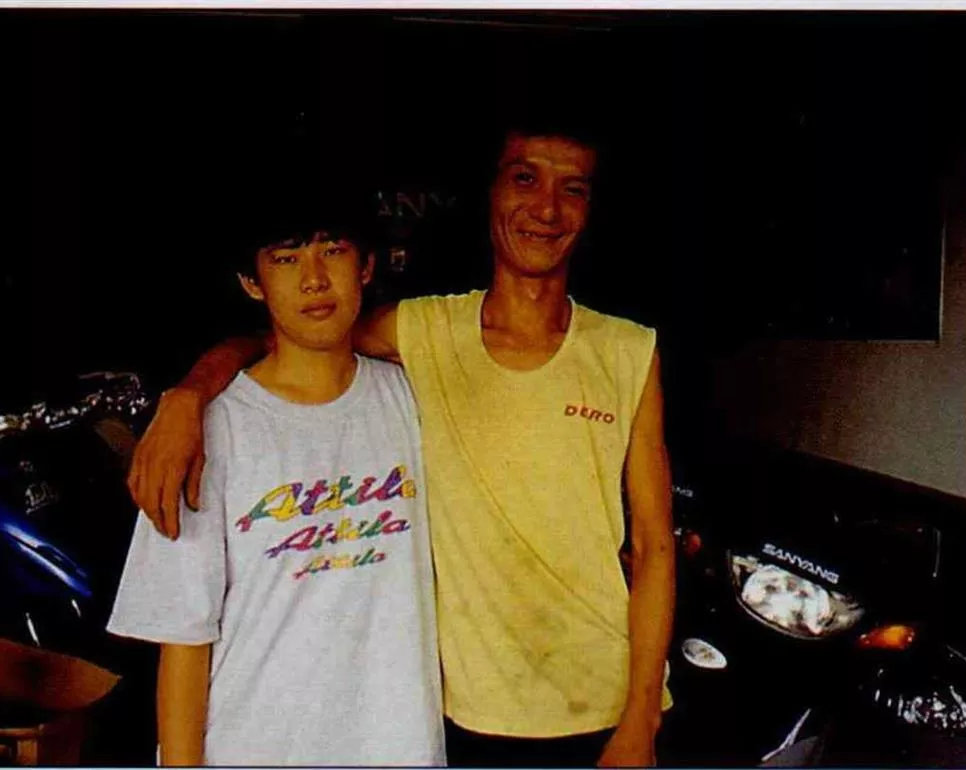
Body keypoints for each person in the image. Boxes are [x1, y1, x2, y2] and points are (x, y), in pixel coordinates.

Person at [129, 114, 675, 768]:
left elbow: (653, 544)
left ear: (365, 266)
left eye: (573, 188)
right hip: (434, 722)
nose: (547, 209)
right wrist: (190, 394)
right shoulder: (420, 342)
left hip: (538, 715)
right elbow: (296, 338)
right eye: (525, 179)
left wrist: (642, 716)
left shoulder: (610, 352)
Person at [107, 188, 445, 766]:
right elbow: (184, 638)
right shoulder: (212, 432)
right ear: (252, 282)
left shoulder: (414, 401)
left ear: (367, 266)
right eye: (286, 259)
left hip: (399, 748)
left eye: (332, 251)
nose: (313, 279)